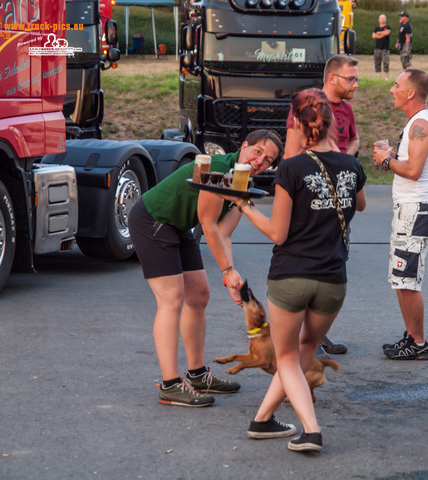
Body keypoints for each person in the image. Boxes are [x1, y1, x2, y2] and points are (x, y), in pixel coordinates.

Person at [228, 88, 366, 452]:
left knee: (287, 357)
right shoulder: (352, 165)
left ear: (296, 126)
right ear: (333, 123)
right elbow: (361, 204)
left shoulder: (291, 168)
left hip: (291, 276)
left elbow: (278, 232)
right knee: (304, 348)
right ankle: (261, 420)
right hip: (333, 279)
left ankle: (311, 430)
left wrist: (244, 207)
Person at [128, 129, 284, 408]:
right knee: (171, 299)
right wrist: (227, 271)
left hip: (176, 225)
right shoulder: (221, 170)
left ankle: (198, 374)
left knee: (198, 295)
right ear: (244, 146)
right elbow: (208, 223)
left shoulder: (242, 184)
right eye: (257, 152)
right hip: (152, 219)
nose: (260, 161)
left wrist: (231, 276)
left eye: (268, 160)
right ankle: (170, 386)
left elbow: (223, 233)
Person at [284, 53, 360, 354]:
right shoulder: (306, 105)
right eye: (351, 78)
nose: (356, 84)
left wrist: (344, 157)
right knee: (303, 263)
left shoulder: (347, 111)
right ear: (332, 78)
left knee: (333, 261)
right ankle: (299, 336)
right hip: (309, 193)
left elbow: (353, 141)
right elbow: (291, 153)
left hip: (336, 197)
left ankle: (316, 332)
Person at [373, 69, 428, 361]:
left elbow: (413, 171)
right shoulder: (418, 123)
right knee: (401, 277)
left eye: (397, 85)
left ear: (411, 92)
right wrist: (391, 156)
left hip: (416, 210)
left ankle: (419, 343)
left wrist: (387, 160)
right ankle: (410, 335)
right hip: (408, 210)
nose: (392, 89)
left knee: (408, 279)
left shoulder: (422, 123)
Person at [372, 14, 392, 80]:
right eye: (381, 18)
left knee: (386, 62)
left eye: (384, 18)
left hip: (385, 48)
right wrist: (382, 34)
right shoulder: (376, 28)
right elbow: (373, 36)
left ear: (386, 19)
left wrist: (379, 33)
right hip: (377, 48)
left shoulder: (388, 27)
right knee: (377, 62)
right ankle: (378, 77)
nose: (382, 20)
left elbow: (387, 33)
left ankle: (386, 77)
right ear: (379, 20)